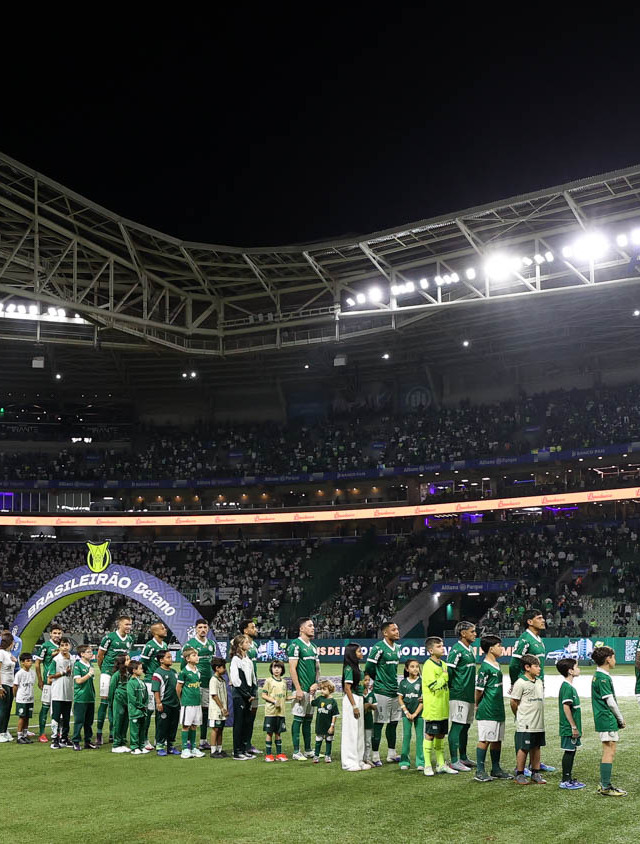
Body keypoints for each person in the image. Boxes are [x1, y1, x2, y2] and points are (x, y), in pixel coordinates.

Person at [508, 608, 554, 773]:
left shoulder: (539, 640)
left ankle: (534, 763)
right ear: (529, 622)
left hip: (537, 686)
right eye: (539, 618)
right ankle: (519, 766)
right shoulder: (524, 640)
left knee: (535, 725)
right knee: (523, 725)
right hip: (526, 688)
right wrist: (516, 684)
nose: (543, 620)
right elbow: (514, 665)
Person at [474, 634, 512, 781]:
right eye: (499, 646)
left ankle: (496, 769)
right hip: (488, 708)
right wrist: (477, 704)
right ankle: (479, 771)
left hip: (497, 708)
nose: (501, 648)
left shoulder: (496, 664)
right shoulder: (484, 667)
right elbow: (479, 690)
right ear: (491, 649)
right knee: (485, 739)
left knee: (497, 739)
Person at [364, 621, 401, 766]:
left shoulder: (398, 648)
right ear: (385, 633)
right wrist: (379, 681)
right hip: (381, 692)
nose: (397, 631)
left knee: (393, 723)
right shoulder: (378, 648)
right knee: (378, 724)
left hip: (394, 691)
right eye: (393, 630)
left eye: (397, 629)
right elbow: (369, 668)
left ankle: (392, 754)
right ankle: (375, 755)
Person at [591, 645, 627, 796]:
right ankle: (605, 786)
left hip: (603, 718)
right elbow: (610, 702)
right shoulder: (603, 678)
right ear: (608, 659)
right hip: (607, 718)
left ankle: (605, 784)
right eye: (613, 657)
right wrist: (620, 718)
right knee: (609, 750)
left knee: (609, 749)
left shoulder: (598, 676)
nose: (615, 660)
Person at [422, 636, 457, 776]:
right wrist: (444, 677)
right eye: (439, 646)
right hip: (433, 707)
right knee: (430, 735)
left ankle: (441, 764)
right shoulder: (428, 665)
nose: (442, 648)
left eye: (442, 645)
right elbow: (433, 686)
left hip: (443, 707)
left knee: (441, 736)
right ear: (431, 650)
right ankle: (427, 765)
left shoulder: (443, 664)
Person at [96, 614, 133, 746]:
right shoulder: (109, 637)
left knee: (117, 703)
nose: (129, 627)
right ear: (119, 624)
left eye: (130, 624)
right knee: (105, 702)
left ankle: (113, 733)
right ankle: (99, 734)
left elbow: (127, 657)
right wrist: (103, 670)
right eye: (126, 624)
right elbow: (100, 655)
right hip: (107, 672)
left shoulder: (130, 639)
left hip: (121, 674)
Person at [287, 617, 320, 761]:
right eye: (310, 625)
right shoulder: (295, 645)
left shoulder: (313, 647)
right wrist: (298, 689)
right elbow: (292, 668)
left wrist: (316, 683)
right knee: (298, 719)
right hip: (301, 690)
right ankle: (296, 751)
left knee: (308, 720)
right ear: (301, 629)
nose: (313, 628)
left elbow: (317, 668)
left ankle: (308, 750)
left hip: (312, 691)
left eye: (313, 625)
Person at [510, 655, 546, 785]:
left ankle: (535, 773)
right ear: (527, 667)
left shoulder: (539, 681)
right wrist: (519, 714)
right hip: (526, 722)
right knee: (524, 747)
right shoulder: (520, 683)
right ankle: (519, 773)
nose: (539, 668)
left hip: (538, 722)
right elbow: (513, 702)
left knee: (536, 747)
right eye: (536, 666)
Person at [446, 621, 477, 771]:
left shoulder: (469, 650)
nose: (475, 634)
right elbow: (449, 672)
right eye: (472, 631)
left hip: (469, 694)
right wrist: (455, 688)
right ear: (463, 633)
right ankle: (454, 760)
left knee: (465, 726)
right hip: (459, 694)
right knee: (457, 725)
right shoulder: (456, 650)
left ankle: (463, 757)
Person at [181, 619, 215, 751]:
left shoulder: (211, 644)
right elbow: (183, 666)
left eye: (205, 627)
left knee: (205, 711)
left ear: (208, 629)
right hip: (194, 684)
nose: (202, 630)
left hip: (208, 683)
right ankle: (190, 742)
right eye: (200, 627)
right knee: (192, 712)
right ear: (195, 629)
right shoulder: (190, 644)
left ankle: (203, 740)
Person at [557, 657, 585, 789]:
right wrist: (573, 726)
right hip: (568, 727)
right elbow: (566, 707)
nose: (579, 669)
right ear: (570, 671)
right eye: (576, 667)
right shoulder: (567, 687)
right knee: (569, 751)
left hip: (571, 727)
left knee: (572, 751)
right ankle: (565, 780)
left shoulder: (569, 686)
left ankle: (568, 778)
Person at [140, 622, 169, 752]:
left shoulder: (165, 645)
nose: (165, 629)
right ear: (155, 632)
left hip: (162, 681)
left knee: (161, 711)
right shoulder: (149, 646)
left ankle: (159, 738)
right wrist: (150, 674)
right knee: (149, 710)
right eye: (162, 628)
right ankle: (144, 739)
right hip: (151, 682)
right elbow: (143, 663)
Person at [341, 642, 369, 772]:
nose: (361, 653)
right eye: (359, 651)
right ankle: (349, 762)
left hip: (359, 698)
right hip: (351, 700)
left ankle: (359, 760)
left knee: (359, 731)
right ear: (352, 654)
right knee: (351, 732)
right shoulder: (349, 668)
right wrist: (354, 706)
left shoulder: (357, 667)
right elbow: (347, 688)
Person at [229, 634, 258, 761]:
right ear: (240, 645)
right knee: (239, 723)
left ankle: (244, 749)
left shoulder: (248, 660)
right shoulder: (236, 660)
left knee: (246, 722)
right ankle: (237, 751)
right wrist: (246, 694)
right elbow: (236, 680)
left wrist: (253, 693)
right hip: (239, 695)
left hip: (248, 695)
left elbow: (253, 678)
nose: (249, 644)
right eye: (246, 642)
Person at [34, 623, 62, 742]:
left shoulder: (63, 645)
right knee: (45, 707)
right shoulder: (45, 646)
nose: (57, 635)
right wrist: (40, 679)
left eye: (59, 633)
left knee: (59, 707)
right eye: (54, 633)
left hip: (60, 681)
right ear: (50, 634)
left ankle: (58, 732)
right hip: (48, 681)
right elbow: (37, 664)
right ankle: (42, 733)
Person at [177, 646, 206, 759]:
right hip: (187, 703)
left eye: (197, 655)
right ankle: (185, 749)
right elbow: (178, 688)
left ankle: (193, 747)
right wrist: (181, 699)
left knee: (194, 725)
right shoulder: (184, 672)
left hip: (197, 702)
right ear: (187, 659)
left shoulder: (197, 671)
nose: (197, 657)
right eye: (194, 655)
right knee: (186, 725)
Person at [152, 649, 181, 757]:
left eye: (171, 657)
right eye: (168, 657)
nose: (171, 659)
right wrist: (158, 702)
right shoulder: (158, 673)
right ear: (161, 660)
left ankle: (170, 746)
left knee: (173, 726)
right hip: (165, 704)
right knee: (162, 726)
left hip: (175, 703)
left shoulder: (174, 672)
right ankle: (160, 746)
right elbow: (156, 689)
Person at [398, 658, 424, 772]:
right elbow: (400, 698)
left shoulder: (422, 682)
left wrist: (415, 713)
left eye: (417, 666)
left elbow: (423, 701)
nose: (415, 669)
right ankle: (404, 761)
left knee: (420, 738)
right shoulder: (403, 683)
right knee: (406, 737)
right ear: (407, 669)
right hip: (406, 715)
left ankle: (421, 762)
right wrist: (406, 712)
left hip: (420, 714)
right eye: (412, 667)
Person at [48, 637, 75, 749]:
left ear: (70, 646)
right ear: (59, 647)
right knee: (56, 716)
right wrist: (63, 672)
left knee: (66, 717)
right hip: (57, 692)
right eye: (62, 645)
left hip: (68, 691)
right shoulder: (56, 660)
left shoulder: (73, 659)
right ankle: (54, 739)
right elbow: (50, 676)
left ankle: (64, 738)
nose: (64, 648)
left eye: (66, 645)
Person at [241, 618, 262, 755]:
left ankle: (248, 743)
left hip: (254, 685)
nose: (255, 629)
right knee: (244, 716)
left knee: (252, 715)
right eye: (252, 627)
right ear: (245, 630)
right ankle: (241, 745)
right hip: (245, 686)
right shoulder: (239, 643)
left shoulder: (253, 644)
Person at [261, 659, 288, 762]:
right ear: (271, 669)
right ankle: (268, 754)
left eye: (279, 667)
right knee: (269, 733)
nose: (276, 669)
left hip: (281, 712)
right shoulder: (268, 681)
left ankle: (279, 754)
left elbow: (285, 697)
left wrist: (295, 697)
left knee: (278, 733)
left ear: (282, 669)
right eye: (274, 667)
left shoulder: (284, 682)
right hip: (271, 712)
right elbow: (264, 695)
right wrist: (273, 701)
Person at [72, 644, 97, 751]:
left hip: (90, 697)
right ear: (82, 654)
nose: (91, 654)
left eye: (91, 652)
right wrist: (89, 674)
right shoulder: (77, 665)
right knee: (79, 721)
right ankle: (76, 741)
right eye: (88, 652)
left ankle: (88, 741)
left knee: (89, 722)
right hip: (80, 698)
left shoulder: (90, 665)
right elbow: (78, 681)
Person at [312, 680, 339, 764]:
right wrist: (311, 695)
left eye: (324, 689)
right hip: (320, 725)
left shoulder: (333, 702)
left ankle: (327, 755)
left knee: (328, 740)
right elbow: (312, 703)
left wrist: (332, 726)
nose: (322, 691)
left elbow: (335, 715)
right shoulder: (320, 699)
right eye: (321, 689)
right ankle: (316, 756)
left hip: (328, 725)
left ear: (330, 689)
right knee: (318, 740)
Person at [109, 654, 131, 753]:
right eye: (127, 659)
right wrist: (111, 703)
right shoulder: (117, 675)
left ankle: (122, 742)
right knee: (118, 722)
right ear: (122, 662)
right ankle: (116, 744)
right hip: (119, 701)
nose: (129, 661)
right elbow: (112, 690)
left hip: (128, 701)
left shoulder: (129, 673)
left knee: (125, 722)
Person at [127, 660, 150, 755]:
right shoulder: (131, 683)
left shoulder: (141, 682)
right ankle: (134, 747)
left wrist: (146, 704)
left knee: (142, 729)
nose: (142, 670)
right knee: (135, 730)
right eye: (140, 669)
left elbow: (146, 694)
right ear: (134, 670)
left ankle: (141, 746)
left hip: (143, 711)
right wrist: (141, 705)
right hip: (135, 711)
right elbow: (132, 697)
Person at [12, 652, 35, 744]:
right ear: (22, 662)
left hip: (30, 698)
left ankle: (25, 735)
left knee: (27, 717)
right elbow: (15, 686)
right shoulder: (19, 673)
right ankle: (19, 736)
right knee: (22, 717)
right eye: (27, 661)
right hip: (22, 699)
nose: (30, 663)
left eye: (31, 661)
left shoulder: (32, 673)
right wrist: (15, 696)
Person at [209, 656, 229, 759]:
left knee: (220, 729)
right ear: (217, 668)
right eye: (223, 667)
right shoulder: (214, 680)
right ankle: (213, 750)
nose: (225, 669)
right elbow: (214, 695)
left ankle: (220, 749)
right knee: (215, 729)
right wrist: (222, 708)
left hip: (222, 709)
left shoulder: (222, 680)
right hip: (216, 710)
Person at [363, 672, 377, 765]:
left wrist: (369, 705)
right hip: (359, 721)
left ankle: (367, 758)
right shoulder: (358, 694)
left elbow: (375, 707)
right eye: (365, 680)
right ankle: (359, 758)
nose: (367, 682)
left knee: (368, 741)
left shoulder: (371, 694)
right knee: (359, 741)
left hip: (368, 721)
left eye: (369, 680)